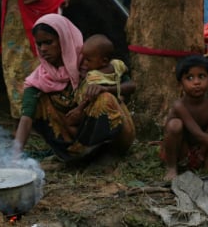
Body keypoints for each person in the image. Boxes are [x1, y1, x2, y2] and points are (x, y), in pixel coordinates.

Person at [13, 14, 135, 162]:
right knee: (36, 101)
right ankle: (72, 154)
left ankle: (107, 155)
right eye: (39, 44)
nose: (43, 49)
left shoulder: (90, 58)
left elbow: (130, 85)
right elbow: (26, 118)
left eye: (48, 42)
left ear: (63, 39)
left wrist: (106, 89)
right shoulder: (40, 78)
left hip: (104, 135)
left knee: (105, 99)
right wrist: (15, 156)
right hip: (71, 137)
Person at [67, 34, 133, 136]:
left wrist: (106, 89)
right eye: (83, 58)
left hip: (103, 118)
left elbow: (131, 85)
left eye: (88, 60)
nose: (84, 63)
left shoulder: (99, 75)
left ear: (104, 61)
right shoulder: (114, 66)